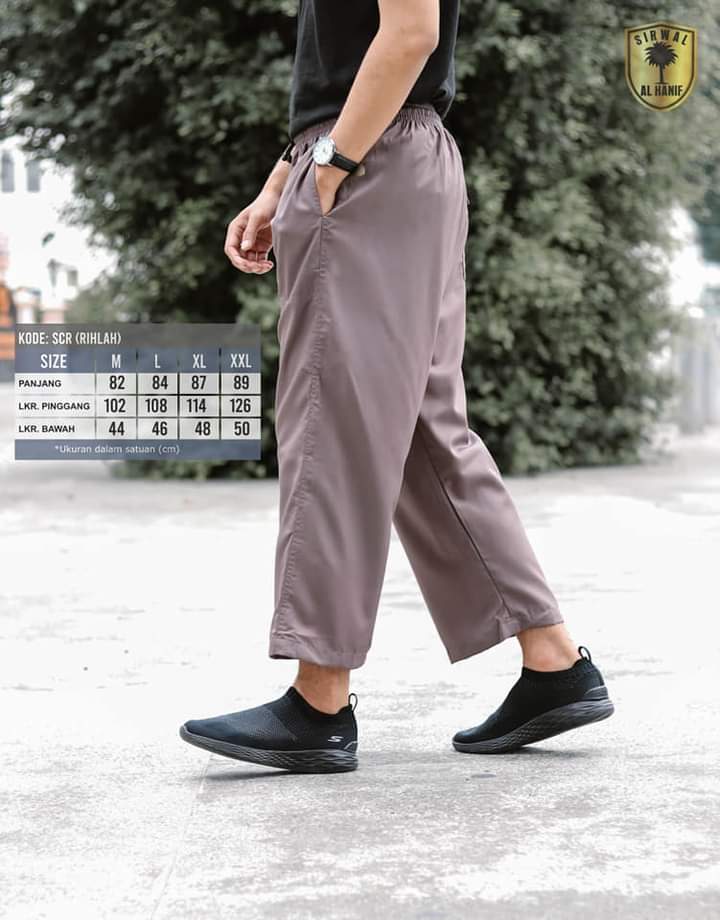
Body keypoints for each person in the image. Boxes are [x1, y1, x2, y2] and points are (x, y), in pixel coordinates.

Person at [180, 0, 614, 773]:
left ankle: (319, 699)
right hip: (392, 157)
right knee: (424, 431)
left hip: (371, 162)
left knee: (334, 421)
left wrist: (333, 162)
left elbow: (411, 32)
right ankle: (553, 661)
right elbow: (346, 60)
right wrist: (285, 176)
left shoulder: (351, 158)